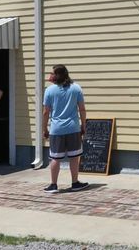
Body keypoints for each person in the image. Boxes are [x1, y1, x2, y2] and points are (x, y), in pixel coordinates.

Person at [42, 64, 88, 193]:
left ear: (57, 75)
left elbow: (46, 112)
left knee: (55, 158)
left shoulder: (49, 90)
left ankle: (53, 185)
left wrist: (44, 128)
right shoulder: (76, 88)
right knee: (74, 157)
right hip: (73, 127)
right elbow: (82, 109)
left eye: (52, 73)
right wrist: (83, 125)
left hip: (56, 129)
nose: (50, 75)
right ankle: (75, 183)